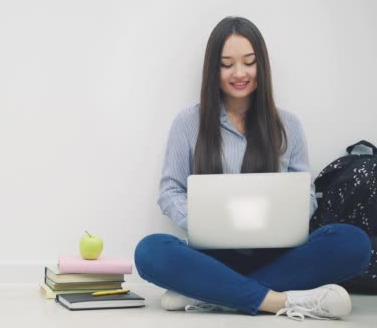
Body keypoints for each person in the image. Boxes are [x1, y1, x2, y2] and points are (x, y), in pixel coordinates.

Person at [134, 17, 372, 321]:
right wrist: (207, 221)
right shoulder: (187, 123)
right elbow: (169, 191)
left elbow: (306, 195)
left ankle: (211, 294)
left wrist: (286, 215)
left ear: (261, 65)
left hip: (277, 255)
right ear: (213, 70)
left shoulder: (288, 125)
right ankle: (276, 300)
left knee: (354, 243)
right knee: (150, 251)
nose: (239, 73)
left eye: (249, 62)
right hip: (212, 257)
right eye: (227, 64)